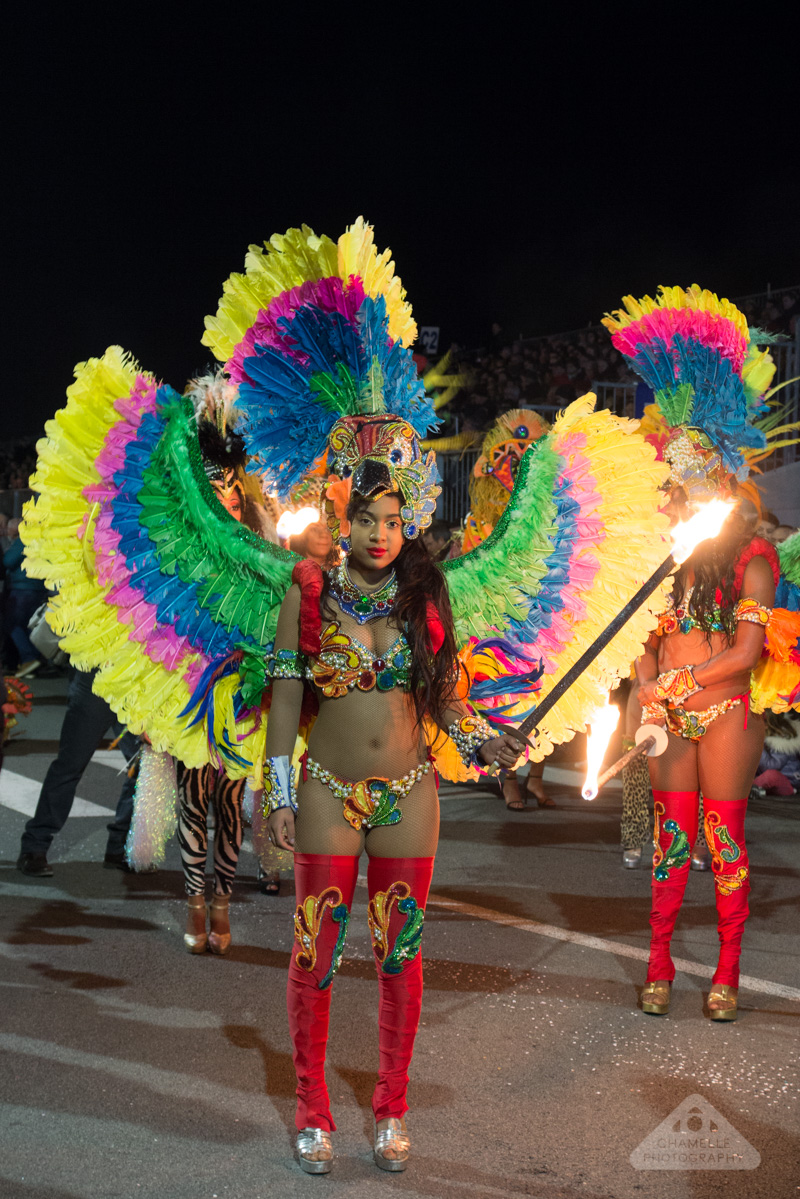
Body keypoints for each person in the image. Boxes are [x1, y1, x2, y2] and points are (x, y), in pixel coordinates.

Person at [604, 283, 800, 1022]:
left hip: (723, 712)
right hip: (670, 713)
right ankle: (657, 965)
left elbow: (747, 650)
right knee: (668, 842)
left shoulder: (754, 555)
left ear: (722, 482)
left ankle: (726, 971)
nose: (683, 499)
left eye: (695, 484)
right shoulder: (669, 557)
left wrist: (683, 677)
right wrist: (650, 681)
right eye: (678, 488)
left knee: (723, 841)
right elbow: (644, 637)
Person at [16, 666, 141, 876]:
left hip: (140, 678)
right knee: (70, 765)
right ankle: (34, 846)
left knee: (143, 767)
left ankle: (120, 846)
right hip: (98, 671)